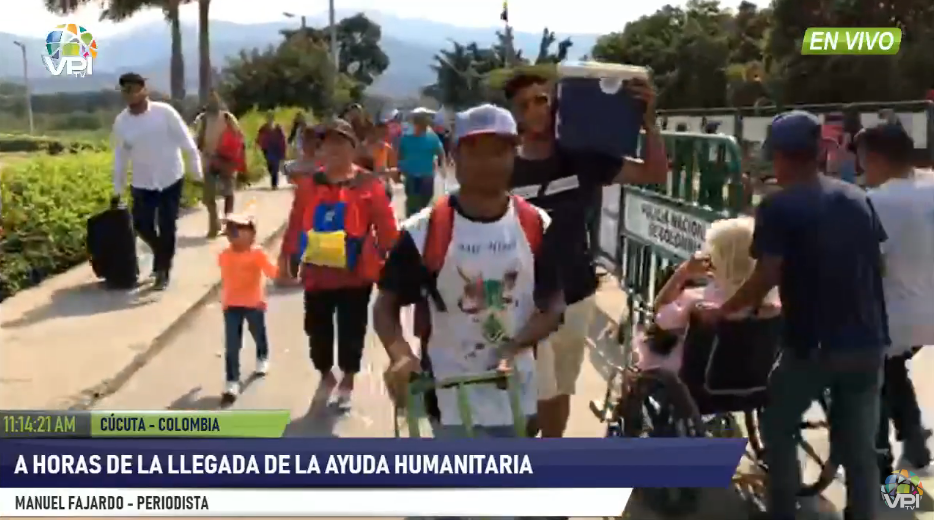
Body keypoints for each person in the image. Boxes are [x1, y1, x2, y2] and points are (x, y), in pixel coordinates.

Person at [696, 110, 888, 520]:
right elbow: (879, 264)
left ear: (779, 156)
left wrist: (724, 312)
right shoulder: (857, 199)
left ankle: (782, 511)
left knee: (779, 423)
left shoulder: (778, 207)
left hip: (813, 345)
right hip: (870, 342)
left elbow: (765, 275)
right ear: (819, 151)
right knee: (859, 444)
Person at [375, 104, 564, 438]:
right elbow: (385, 305)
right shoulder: (423, 232)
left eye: (499, 152)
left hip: (517, 396)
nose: (488, 163)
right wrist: (400, 355)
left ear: (513, 157)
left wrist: (515, 346)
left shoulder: (537, 225)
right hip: (449, 399)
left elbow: (553, 307)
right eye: (475, 152)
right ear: (453, 159)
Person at [502, 71, 668, 438]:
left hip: (578, 293)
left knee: (562, 391)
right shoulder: (505, 168)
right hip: (527, 303)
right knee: (535, 399)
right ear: (515, 114)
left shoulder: (583, 159)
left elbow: (654, 173)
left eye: (540, 99)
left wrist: (648, 123)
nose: (535, 110)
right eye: (524, 105)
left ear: (555, 101)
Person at [280, 119, 399, 410]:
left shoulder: (369, 184)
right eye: (328, 143)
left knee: (352, 330)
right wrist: (288, 260)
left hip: (356, 275)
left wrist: (394, 264)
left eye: (340, 142)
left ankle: (348, 379)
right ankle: (325, 374)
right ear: (321, 149)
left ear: (353, 147)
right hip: (316, 274)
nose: (334, 149)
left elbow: (386, 226)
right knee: (316, 330)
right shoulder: (309, 185)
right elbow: (296, 224)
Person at [859, 123, 934, 473]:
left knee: (867, 389)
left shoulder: (878, 201)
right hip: (927, 314)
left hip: (894, 317)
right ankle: (915, 447)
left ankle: (883, 470)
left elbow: (865, 264)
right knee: (892, 373)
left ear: (876, 159)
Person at [635, 217, 780, 372]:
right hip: (749, 388)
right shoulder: (772, 306)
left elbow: (660, 314)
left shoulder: (700, 304)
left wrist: (682, 272)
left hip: (691, 387)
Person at [112, 72, 203, 290]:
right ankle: (161, 254)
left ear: (144, 90)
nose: (131, 94)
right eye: (126, 90)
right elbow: (120, 156)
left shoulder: (165, 113)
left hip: (170, 176)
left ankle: (163, 270)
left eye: (135, 89)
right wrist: (118, 187)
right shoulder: (122, 122)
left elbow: (186, 141)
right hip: (142, 182)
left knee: (167, 225)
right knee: (141, 224)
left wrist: (196, 170)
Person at [218, 208, 278, 401]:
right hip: (231, 305)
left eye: (237, 230)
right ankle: (232, 382)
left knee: (258, 332)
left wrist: (286, 270)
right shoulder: (224, 255)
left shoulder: (257, 254)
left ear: (251, 234)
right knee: (232, 345)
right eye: (230, 231)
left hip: (253, 303)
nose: (232, 235)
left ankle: (262, 355)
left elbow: (272, 272)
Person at [194, 90, 245, 238]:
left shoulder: (227, 117)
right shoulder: (203, 119)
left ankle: (229, 224)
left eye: (214, 98)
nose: (212, 102)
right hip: (209, 160)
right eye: (209, 99)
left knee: (228, 193)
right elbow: (198, 139)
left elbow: (239, 136)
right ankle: (214, 225)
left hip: (226, 160)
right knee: (209, 196)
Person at [397, 110, 446, 217]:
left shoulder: (432, 138)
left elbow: (440, 152)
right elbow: (400, 155)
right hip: (411, 176)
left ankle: (421, 225)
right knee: (412, 204)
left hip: (427, 176)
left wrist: (442, 166)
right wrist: (401, 169)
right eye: (418, 123)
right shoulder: (406, 138)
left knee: (425, 203)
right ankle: (410, 225)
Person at [256, 112, 288, 190]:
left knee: (275, 167)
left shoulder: (278, 128)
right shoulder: (263, 128)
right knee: (270, 165)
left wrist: (283, 150)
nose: (269, 120)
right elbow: (259, 137)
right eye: (268, 118)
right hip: (267, 148)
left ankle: (274, 184)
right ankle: (273, 176)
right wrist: (259, 144)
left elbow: (283, 139)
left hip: (276, 149)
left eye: (271, 118)